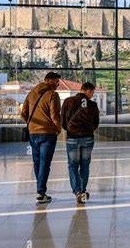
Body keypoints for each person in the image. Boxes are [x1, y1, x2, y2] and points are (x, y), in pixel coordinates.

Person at [21, 72, 62, 204]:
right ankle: (41, 192)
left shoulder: (31, 93)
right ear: (50, 81)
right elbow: (55, 115)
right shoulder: (53, 95)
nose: (58, 84)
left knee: (37, 162)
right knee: (45, 162)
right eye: (56, 81)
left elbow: (23, 113)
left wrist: (31, 124)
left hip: (33, 134)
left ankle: (40, 191)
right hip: (48, 134)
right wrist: (58, 129)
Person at [61, 82, 100, 204]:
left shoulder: (68, 101)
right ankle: (83, 191)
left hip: (72, 137)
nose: (92, 95)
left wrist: (70, 129)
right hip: (88, 137)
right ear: (87, 90)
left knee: (73, 165)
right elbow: (96, 123)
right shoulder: (92, 105)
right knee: (85, 165)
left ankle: (77, 191)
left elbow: (63, 121)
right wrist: (88, 129)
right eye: (92, 92)